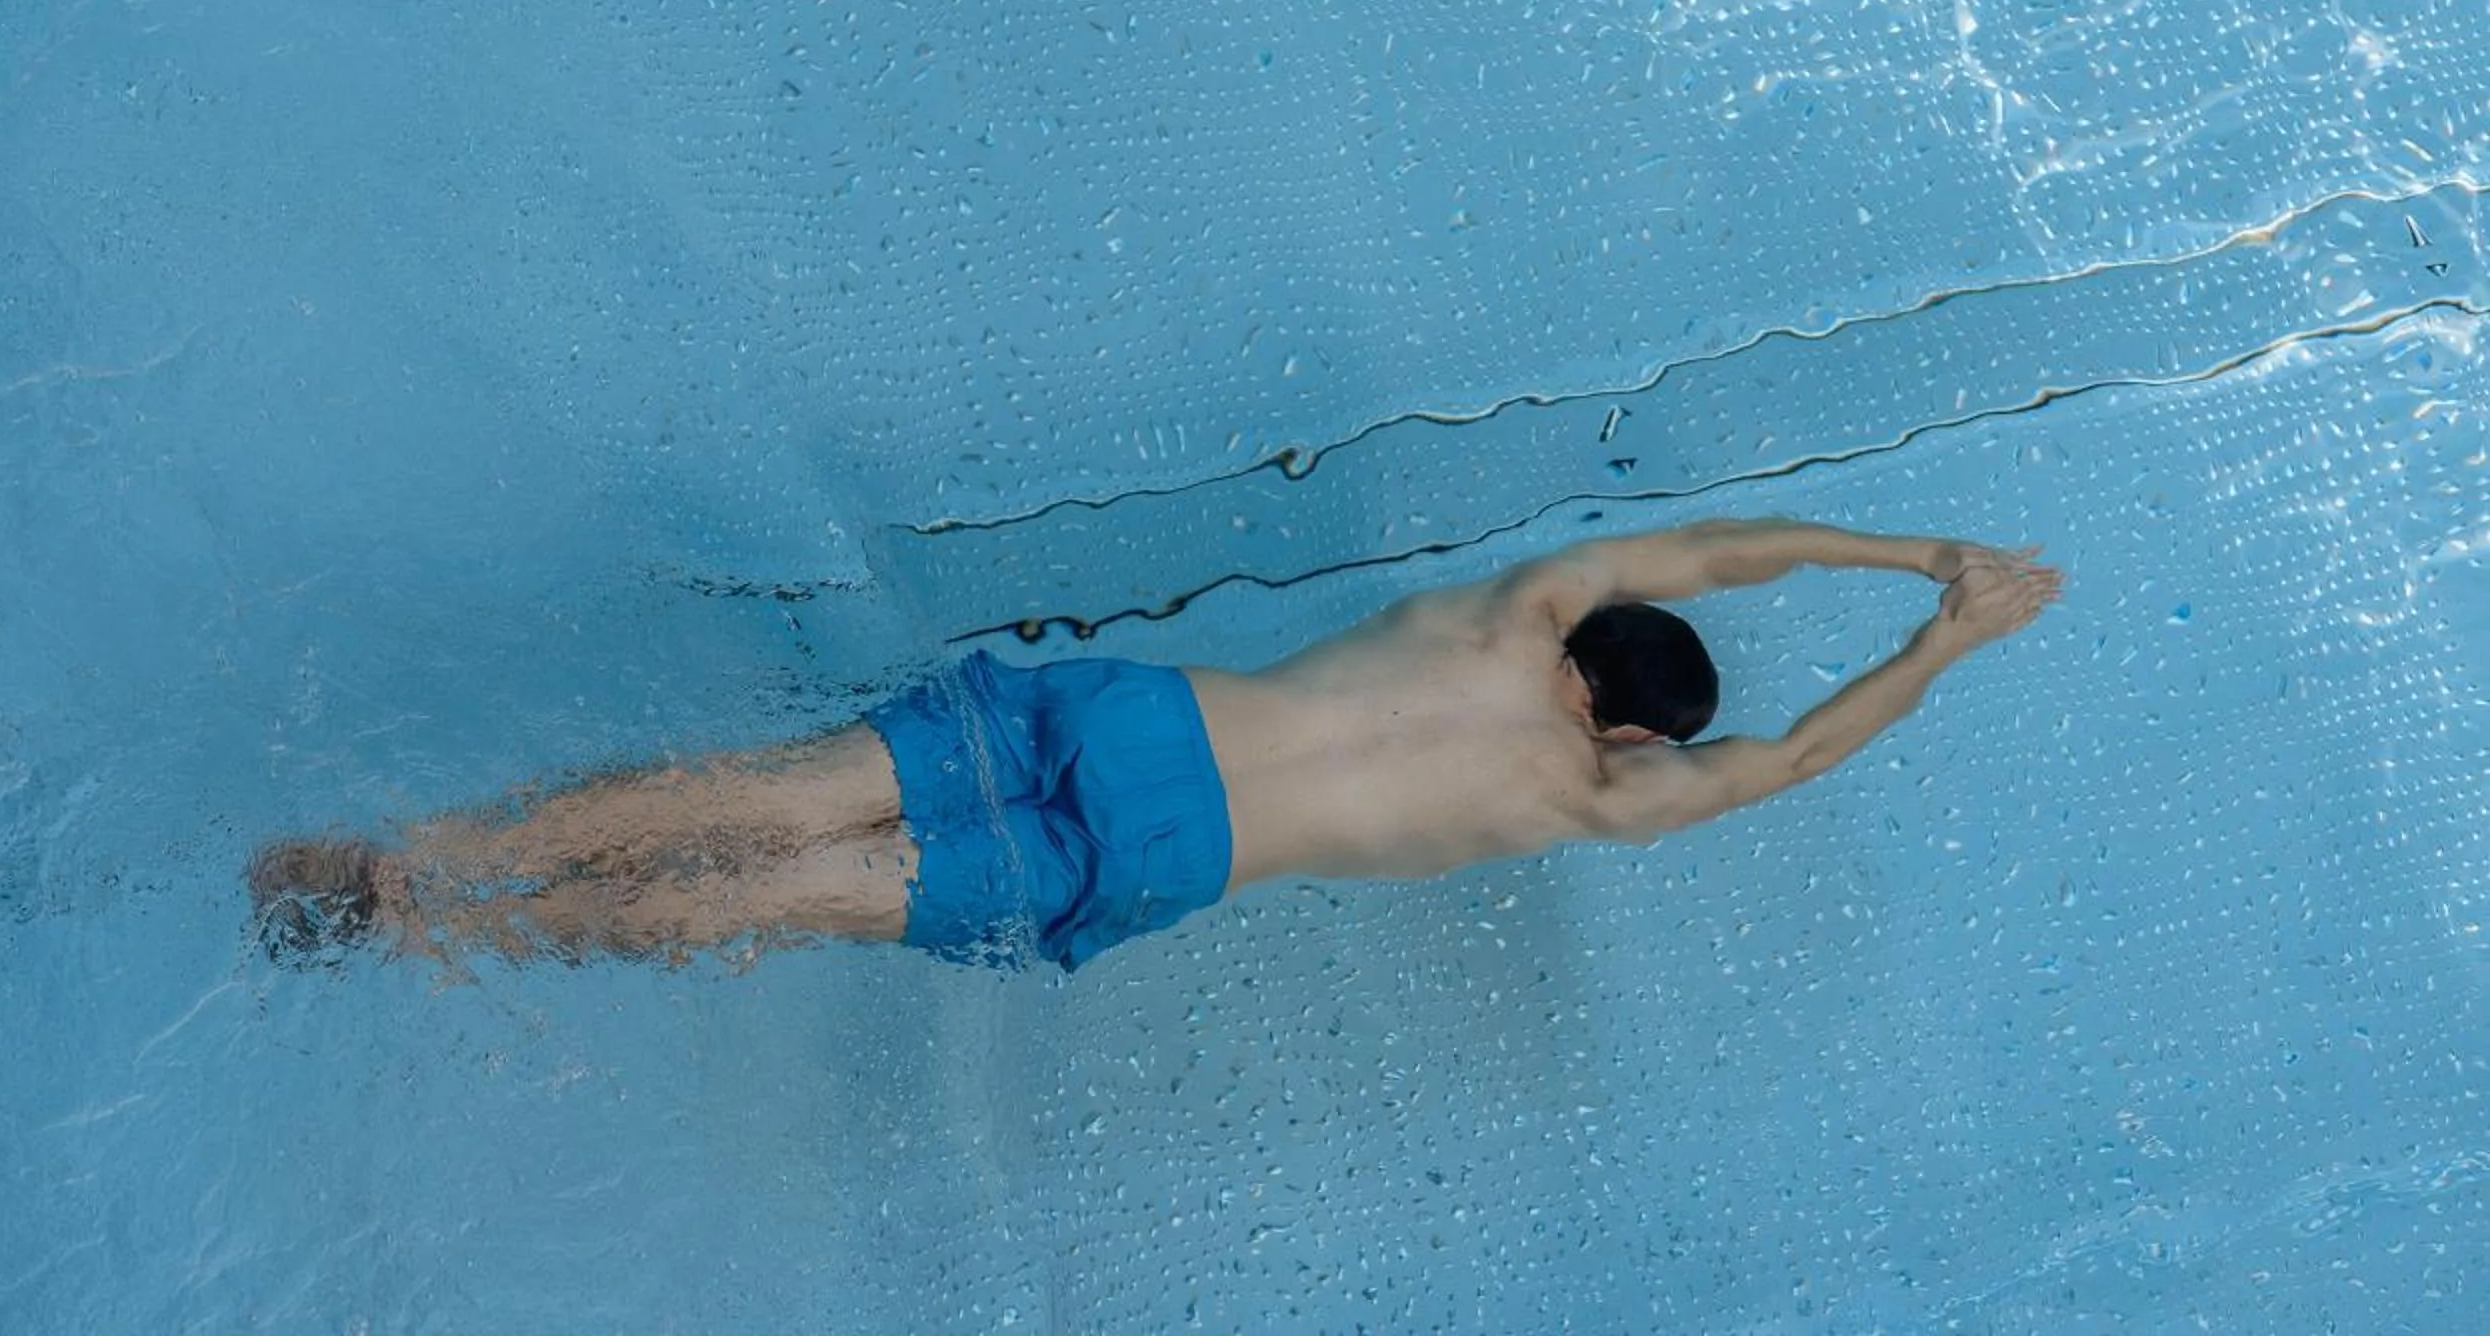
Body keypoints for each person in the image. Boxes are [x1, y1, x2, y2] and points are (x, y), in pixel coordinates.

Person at [248, 518, 2061, 972]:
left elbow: (1708, 538)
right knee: (805, 888)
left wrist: (1905, 550)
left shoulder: (1513, 610)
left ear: (1583, 645)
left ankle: (434, 844)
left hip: (1143, 717)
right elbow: (1809, 756)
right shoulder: (1597, 795)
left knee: (768, 791)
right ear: (1648, 731)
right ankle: (439, 933)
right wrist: (1952, 642)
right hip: (1154, 856)